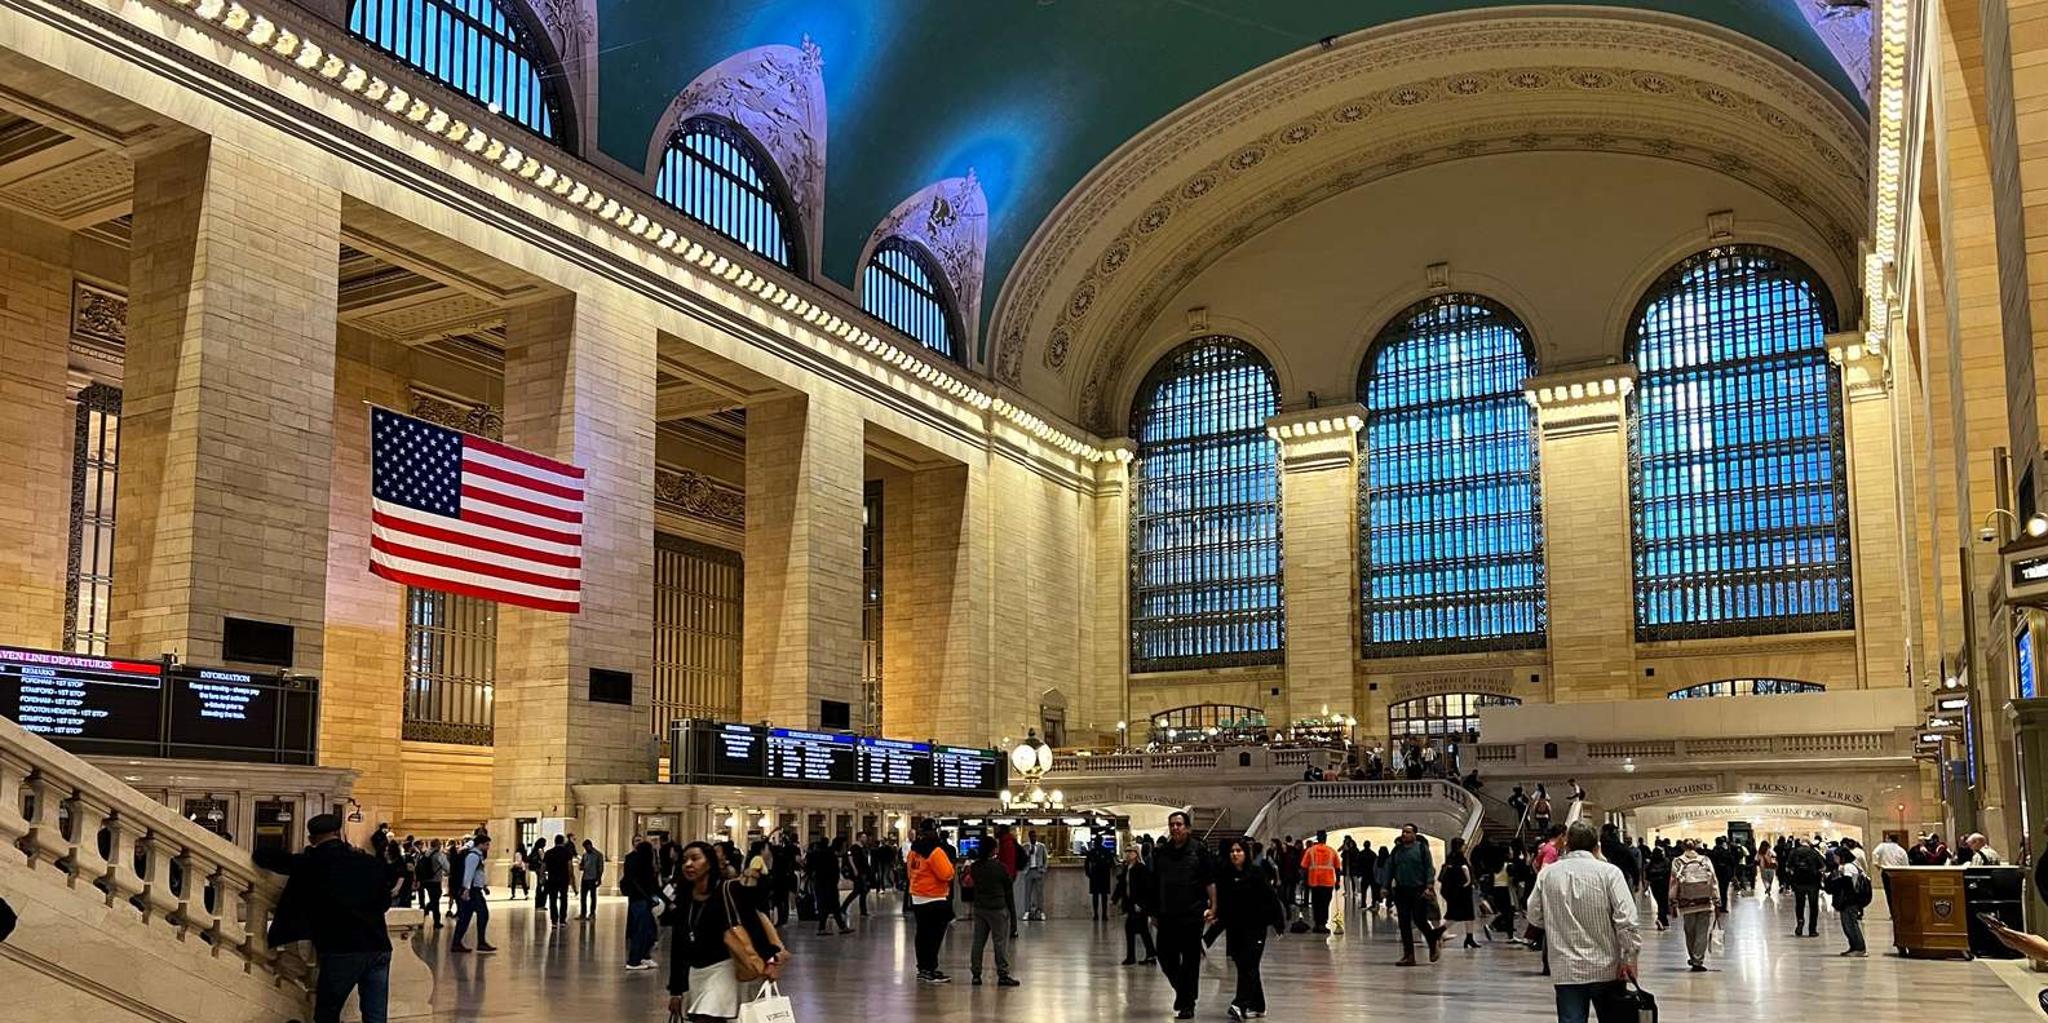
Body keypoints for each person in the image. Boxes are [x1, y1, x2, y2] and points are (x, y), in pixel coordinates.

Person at [266, 813, 395, 1023]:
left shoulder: (312, 862)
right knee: (376, 1016)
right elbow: (384, 904)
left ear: (311, 839)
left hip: (342, 948)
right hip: (379, 945)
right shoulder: (368, 862)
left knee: (327, 1013)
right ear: (339, 833)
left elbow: (267, 857)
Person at [1526, 821, 1641, 1023]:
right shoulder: (1610, 873)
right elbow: (1627, 919)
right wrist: (1630, 957)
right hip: (1607, 966)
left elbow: (1534, 914)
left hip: (1566, 966)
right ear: (1596, 846)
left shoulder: (1547, 874)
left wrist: (1556, 922)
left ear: (1567, 844)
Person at [665, 841, 781, 1022]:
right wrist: (676, 991)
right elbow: (678, 946)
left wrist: (771, 960)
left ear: (709, 862)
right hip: (696, 972)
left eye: (695, 859)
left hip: (724, 968)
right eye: (685, 860)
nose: (688, 864)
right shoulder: (684, 898)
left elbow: (753, 926)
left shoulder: (728, 890)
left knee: (707, 1015)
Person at [1153, 810, 1218, 1020]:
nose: (1175, 828)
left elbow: (1209, 881)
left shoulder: (1198, 850)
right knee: (1164, 955)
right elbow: (1156, 883)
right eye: (1172, 824)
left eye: (1179, 824)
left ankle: (1187, 1003)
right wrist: (1153, 912)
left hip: (1191, 914)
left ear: (1187, 827)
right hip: (1166, 914)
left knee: (1190, 961)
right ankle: (1184, 993)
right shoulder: (1162, 852)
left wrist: (1213, 906)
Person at [1217, 837, 1284, 1021]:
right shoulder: (1226, 875)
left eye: (1239, 851)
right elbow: (1223, 901)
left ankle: (1240, 1003)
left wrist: (1278, 922)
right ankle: (1258, 1005)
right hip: (1236, 929)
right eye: (1232, 851)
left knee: (1250, 965)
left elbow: (1270, 898)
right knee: (1244, 966)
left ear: (1246, 853)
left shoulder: (1256, 873)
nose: (1235, 854)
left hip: (1256, 928)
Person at [906, 818, 957, 983]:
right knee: (934, 936)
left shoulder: (913, 851)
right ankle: (930, 968)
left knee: (922, 934)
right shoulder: (935, 851)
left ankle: (922, 969)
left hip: (918, 897)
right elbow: (947, 874)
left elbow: (909, 873)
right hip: (935, 897)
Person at [965, 838, 1021, 986]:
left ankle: (976, 975)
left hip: (980, 908)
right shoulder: (999, 867)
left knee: (978, 942)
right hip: (997, 908)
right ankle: (1002, 974)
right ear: (993, 850)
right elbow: (1008, 884)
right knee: (999, 942)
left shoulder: (975, 867)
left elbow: (970, 883)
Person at [1388, 822, 1442, 966]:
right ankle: (1409, 955)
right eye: (1403, 832)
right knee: (1404, 923)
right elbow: (1390, 868)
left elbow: (1429, 868)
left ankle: (1432, 942)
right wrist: (1384, 886)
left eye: (1408, 832)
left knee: (1420, 920)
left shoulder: (1421, 849)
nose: (1404, 834)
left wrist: (1429, 885)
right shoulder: (1397, 850)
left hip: (1418, 890)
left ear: (1415, 835)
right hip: (1401, 890)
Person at [1669, 839, 1720, 970]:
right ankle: (1698, 960)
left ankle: (1693, 957)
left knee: (1689, 931)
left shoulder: (1678, 861)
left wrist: (1672, 900)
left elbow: (1674, 882)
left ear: (1682, 847)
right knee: (1702, 932)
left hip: (1687, 902)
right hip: (1705, 901)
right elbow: (1713, 880)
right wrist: (1716, 899)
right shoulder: (1705, 860)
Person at [449, 835, 496, 954]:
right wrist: (466, 889)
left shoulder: (476, 855)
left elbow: (477, 874)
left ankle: (458, 943)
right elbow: (468, 874)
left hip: (475, 890)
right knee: (481, 914)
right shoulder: (473, 856)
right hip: (472, 891)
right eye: (486, 844)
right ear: (480, 844)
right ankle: (479, 942)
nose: (488, 847)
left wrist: (483, 886)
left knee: (466, 917)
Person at [622, 836, 662, 970]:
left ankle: (645, 956)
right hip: (640, 900)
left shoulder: (645, 864)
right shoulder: (638, 864)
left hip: (642, 900)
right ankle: (634, 961)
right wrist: (648, 897)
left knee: (649, 930)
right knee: (640, 931)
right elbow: (635, 882)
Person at [1114, 845, 1157, 965]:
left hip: (1139, 906)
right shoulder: (1127, 868)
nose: (1128, 854)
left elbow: (1147, 888)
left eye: (1130, 852)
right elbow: (1122, 885)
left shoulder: (1141, 869)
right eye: (1126, 851)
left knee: (1140, 930)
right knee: (1135, 930)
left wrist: (1141, 904)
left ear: (1136, 854)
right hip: (1130, 904)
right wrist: (1115, 899)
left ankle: (1148, 955)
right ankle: (1142, 955)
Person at [1825, 847, 1871, 957]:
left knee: (1851, 924)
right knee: (1847, 925)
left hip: (1850, 901)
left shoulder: (1848, 867)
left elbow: (1847, 884)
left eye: (1836, 856)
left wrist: (1834, 882)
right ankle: (1854, 947)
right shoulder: (1849, 866)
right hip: (1850, 901)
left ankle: (1859, 948)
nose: (1835, 858)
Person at [1781, 836, 1825, 937]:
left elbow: (1788, 868)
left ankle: (1800, 922)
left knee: (1799, 904)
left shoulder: (1794, 852)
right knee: (1813, 906)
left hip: (1799, 883)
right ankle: (1812, 929)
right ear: (1809, 843)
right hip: (1813, 883)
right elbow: (1823, 867)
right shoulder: (1814, 852)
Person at [1440, 836, 1480, 949]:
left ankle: (1469, 938)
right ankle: (1438, 932)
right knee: (1458, 915)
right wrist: (1468, 881)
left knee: (1465, 916)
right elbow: (1463, 869)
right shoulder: (1459, 858)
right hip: (1461, 892)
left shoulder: (1450, 858)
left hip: (1456, 891)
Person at [1300, 831, 1341, 933]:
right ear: (1325, 838)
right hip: (1328, 882)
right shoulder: (1332, 851)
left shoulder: (1310, 851)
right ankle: (1323, 923)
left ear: (1317, 838)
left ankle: (1317, 924)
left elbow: (1304, 867)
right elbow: (1337, 868)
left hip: (1314, 881)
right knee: (1325, 903)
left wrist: (1303, 881)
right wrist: (1338, 881)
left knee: (1316, 903)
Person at [542, 834, 574, 926]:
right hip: (564, 879)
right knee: (564, 898)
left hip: (552, 878)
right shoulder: (567, 852)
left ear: (555, 841)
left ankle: (554, 920)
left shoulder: (549, 852)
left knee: (553, 899)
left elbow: (543, 867)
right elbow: (569, 867)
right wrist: (571, 878)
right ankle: (562, 920)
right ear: (562, 842)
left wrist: (542, 877)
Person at [842, 832, 874, 919]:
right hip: (858, 872)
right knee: (857, 891)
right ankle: (844, 908)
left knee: (863, 891)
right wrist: (854, 869)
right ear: (859, 838)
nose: (865, 839)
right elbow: (850, 858)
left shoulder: (863, 848)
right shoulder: (854, 847)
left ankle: (863, 911)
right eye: (863, 837)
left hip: (863, 872)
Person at [1021, 830, 1050, 922]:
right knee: (1027, 893)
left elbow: (1046, 858)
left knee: (1039, 893)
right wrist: (1028, 854)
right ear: (1029, 837)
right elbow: (1022, 858)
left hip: (1038, 870)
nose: (1033, 838)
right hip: (1028, 870)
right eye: (1032, 836)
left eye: (1035, 836)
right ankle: (1027, 911)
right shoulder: (1025, 846)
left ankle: (1040, 911)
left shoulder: (1041, 846)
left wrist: (1044, 869)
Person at [1085, 837, 1115, 920]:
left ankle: (1096, 915)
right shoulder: (1106, 851)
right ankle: (1104, 914)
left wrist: (1088, 873)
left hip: (1094, 876)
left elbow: (1087, 863)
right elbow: (1112, 863)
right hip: (1104, 876)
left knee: (1095, 896)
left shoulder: (1092, 852)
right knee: (1104, 896)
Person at [578, 839, 604, 920]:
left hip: (593, 878)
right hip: (585, 878)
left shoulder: (598, 855)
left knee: (593, 896)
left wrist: (599, 878)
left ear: (590, 845)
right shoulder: (585, 855)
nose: (585, 849)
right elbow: (581, 865)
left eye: (586, 847)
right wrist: (581, 866)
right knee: (583, 897)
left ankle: (592, 913)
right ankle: (583, 913)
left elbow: (600, 867)